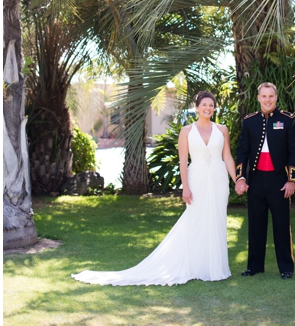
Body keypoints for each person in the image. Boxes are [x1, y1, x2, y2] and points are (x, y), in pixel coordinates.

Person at [72, 91, 238, 286]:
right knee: (196, 220)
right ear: (197, 107)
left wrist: (237, 180)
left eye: (211, 105)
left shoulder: (222, 130)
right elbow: (183, 161)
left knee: (216, 219)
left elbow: (227, 157)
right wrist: (185, 187)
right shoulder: (186, 131)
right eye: (204, 105)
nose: (208, 108)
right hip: (197, 179)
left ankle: (215, 268)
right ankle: (196, 266)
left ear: (214, 107)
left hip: (218, 179)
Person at [235, 82, 295, 280]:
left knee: (282, 225)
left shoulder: (288, 120)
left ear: (276, 97)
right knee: (256, 225)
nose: (267, 100)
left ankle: (286, 268)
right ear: (258, 98)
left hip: (279, 181)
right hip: (256, 181)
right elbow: (242, 152)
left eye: (270, 96)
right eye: (264, 96)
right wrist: (241, 178)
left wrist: (292, 181)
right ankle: (254, 266)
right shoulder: (249, 122)